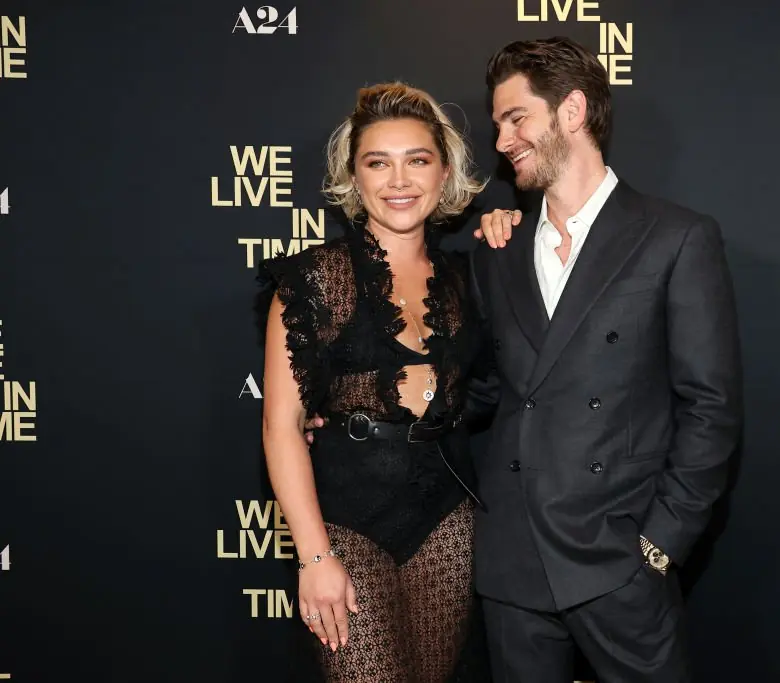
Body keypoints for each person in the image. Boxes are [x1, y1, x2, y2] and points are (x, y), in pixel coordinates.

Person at [466, 37, 744, 683]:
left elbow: (710, 404)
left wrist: (660, 540)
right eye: (499, 124)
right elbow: (486, 388)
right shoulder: (495, 248)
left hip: (616, 553)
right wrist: (367, 410)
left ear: (571, 110)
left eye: (515, 118)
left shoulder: (675, 235)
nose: (502, 140)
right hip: (511, 557)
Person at [257, 81, 497, 683]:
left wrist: (510, 224)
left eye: (417, 160)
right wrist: (314, 557)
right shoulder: (315, 279)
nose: (399, 180)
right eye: (378, 163)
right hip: (346, 524)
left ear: (445, 175)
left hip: (450, 519)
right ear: (353, 178)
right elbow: (280, 425)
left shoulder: (473, 279)